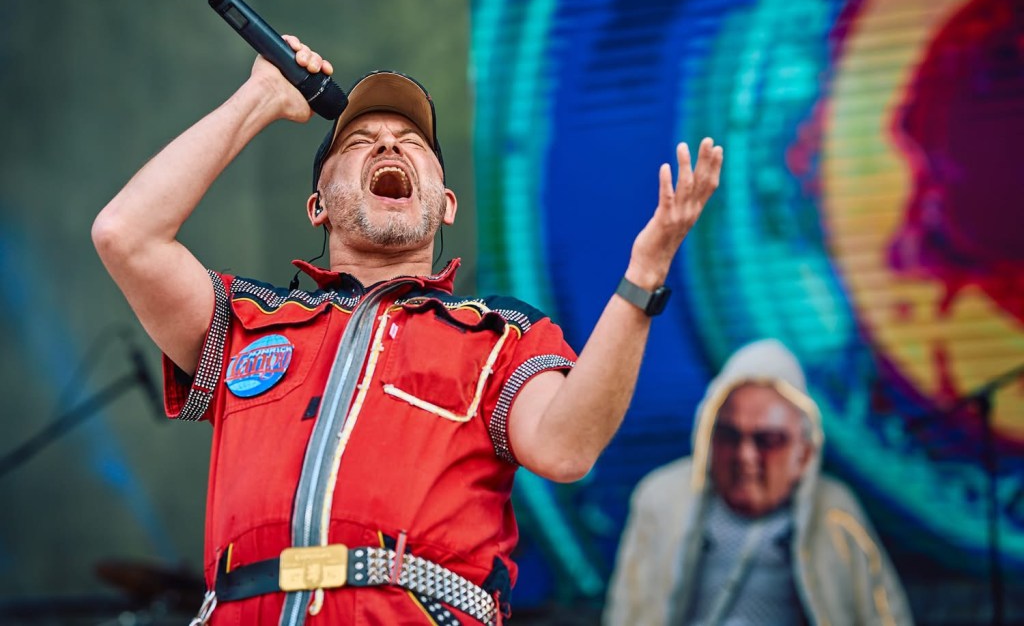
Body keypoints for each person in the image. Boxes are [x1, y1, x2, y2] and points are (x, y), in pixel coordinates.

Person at [91, 34, 723, 626]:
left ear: (445, 204)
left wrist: (642, 278)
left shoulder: (501, 333)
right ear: (317, 205)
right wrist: (259, 98)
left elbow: (565, 448)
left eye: (413, 143)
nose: (389, 146)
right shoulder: (248, 320)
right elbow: (126, 235)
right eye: (358, 142)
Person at [603, 339, 913, 626]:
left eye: (768, 440)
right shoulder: (662, 498)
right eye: (730, 435)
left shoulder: (835, 511)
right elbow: (627, 608)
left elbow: (883, 612)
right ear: (707, 438)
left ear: (804, 453)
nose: (746, 456)